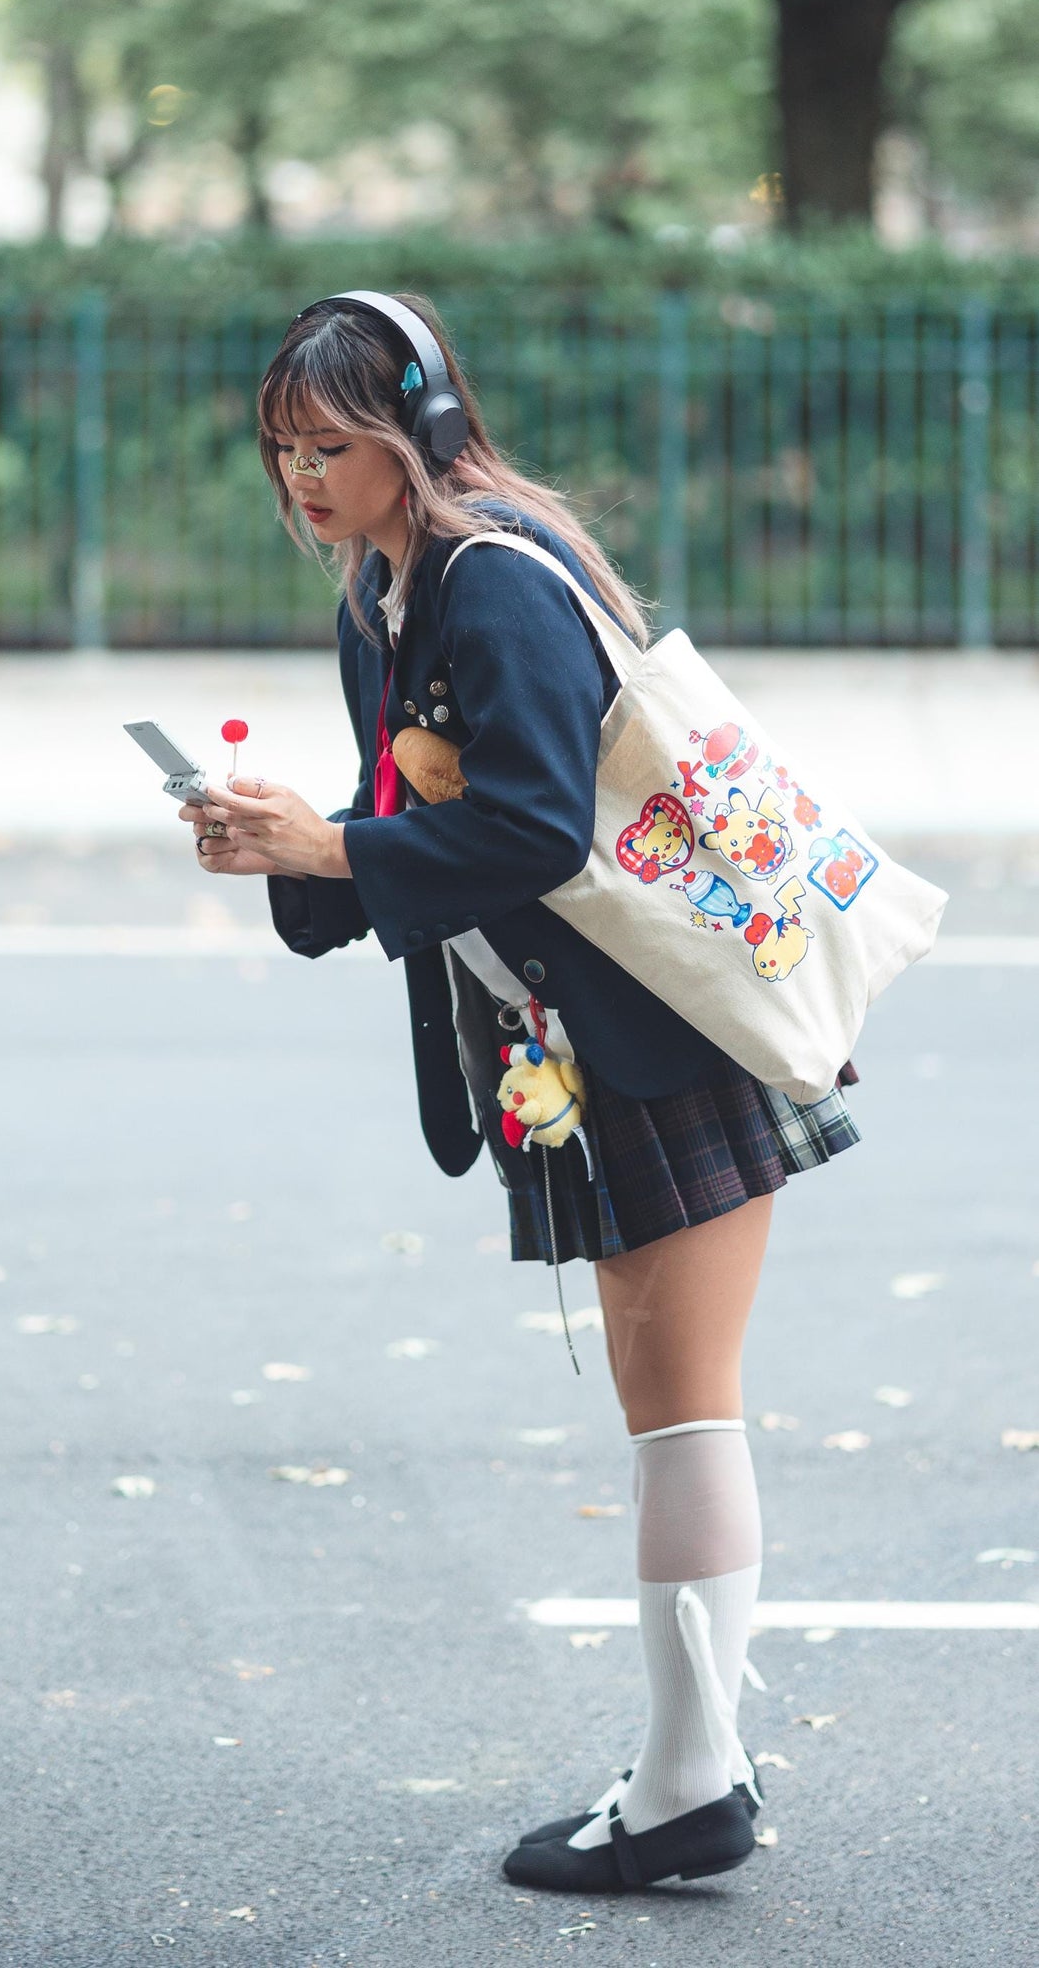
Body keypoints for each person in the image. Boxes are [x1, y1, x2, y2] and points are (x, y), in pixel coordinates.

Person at [181, 290, 860, 1896]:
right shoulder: (382, 590)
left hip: (663, 1029)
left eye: (329, 447)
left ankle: (693, 1784)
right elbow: (393, 827)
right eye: (283, 452)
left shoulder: (489, 583)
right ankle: (687, 1770)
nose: (303, 481)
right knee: (657, 1393)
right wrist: (288, 849)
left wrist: (334, 847)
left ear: (413, 429)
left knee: (682, 1394)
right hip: (558, 1039)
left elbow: (541, 831)